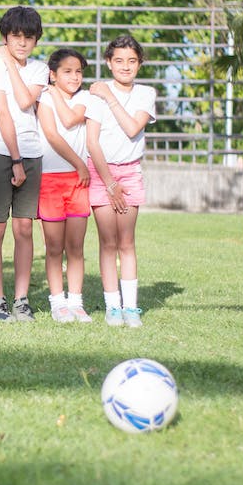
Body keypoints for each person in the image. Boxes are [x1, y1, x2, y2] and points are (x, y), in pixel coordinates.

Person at [0, 6, 49, 322]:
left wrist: (10, 62)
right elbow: (3, 112)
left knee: (24, 228)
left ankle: (21, 300)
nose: (21, 43)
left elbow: (23, 102)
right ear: (5, 36)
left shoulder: (38, 69)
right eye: (15, 36)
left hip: (32, 154)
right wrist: (15, 159)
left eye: (28, 37)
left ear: (36, 40)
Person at [86, 34, 156, 328]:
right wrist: (109, 183)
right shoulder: (95, 96)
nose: (125, 67)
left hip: (130, 172)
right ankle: (113, 307)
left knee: (127, 242)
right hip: (101, 173)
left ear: (139, 64)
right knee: (108, 242)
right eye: (118, 61)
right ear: (108, 62)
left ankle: (131, 307)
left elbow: (131, 128)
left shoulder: (144, 94)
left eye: (131, 61)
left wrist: (109, 96)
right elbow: (92, 142)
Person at [35, 48, 96, 323]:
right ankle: (57, 302)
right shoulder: (43, 98)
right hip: (50, 180)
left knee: (76, 247)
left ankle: (76, 301)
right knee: (53, 247)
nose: (74, 77)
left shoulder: (85, 98)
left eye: (78, 71)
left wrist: (56, 92)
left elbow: (71, 120)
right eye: (67, 71)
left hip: (77, 182)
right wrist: (79, 163)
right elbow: (52, 134)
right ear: (53, 74)